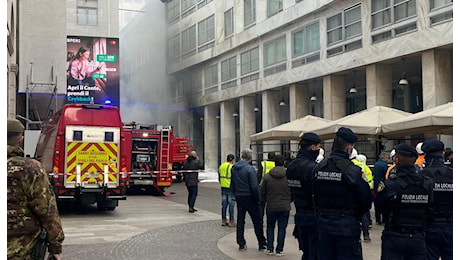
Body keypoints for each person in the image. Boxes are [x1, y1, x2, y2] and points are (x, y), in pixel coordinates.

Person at [7, 119, 65, 260]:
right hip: (21, 249)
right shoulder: (30, 169)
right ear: (20, 139)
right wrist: (55, 246)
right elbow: (47, 210)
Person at [312, 127, 372, 260]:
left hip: (323, 224)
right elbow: (366, 200)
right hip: (346, 226)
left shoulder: (319, 168)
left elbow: (314, 194)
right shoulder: (353, 170)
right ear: (349, 148)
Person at [374, 143, 434, 260]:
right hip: (418, 236)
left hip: (394, 235)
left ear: (396, 159)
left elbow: (378, 206)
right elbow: (431, 206)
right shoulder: (427, 184)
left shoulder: (390, 184)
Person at [286, 132, 322, 260]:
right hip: (313, 216)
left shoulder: (291, 166)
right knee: (314, 253)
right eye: (318, 147)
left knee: (306, 252)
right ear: (312, 147)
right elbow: (318, 192)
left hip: (300, 215)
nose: (318, 150)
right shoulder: (311, 168)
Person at [419, 140, 453, 260]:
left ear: (426, 155)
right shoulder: (453, 175)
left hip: (429, 225)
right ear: (443, 153)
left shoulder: (421, 176)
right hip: (451, 225)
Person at [230, 148, 267, 251]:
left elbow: (232, 183)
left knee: (241, 220)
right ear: (250, 158)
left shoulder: (234, 168)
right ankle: (261, 242)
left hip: (239, 196)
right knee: (257, 220)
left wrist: (234, 194)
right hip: (249, 196)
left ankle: (241, 242)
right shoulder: (250, 169)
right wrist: (258, 199)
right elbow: (254, 186)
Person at [260, 155, 291, 256]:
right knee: (282, 228)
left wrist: (266, 200)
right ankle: (279, 249)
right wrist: (289, 200)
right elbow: (293, 191)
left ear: (274, 163)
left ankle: (269, 248)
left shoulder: (268, 176)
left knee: (270, 226)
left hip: (271, 206)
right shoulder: (289, 176)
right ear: (284, 163)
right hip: (285, 206)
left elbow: (262, 192)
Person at [353, 153, 373, 243]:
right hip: (365, 190)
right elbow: (369, 179)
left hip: (353, 191)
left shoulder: (352, 164)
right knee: (365, 214)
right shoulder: (366, 167)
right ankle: (366, 235)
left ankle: (356, 236)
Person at [219, 153, 236, 227]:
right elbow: (234, 178)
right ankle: (231, 221)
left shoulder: (221, 166)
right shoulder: (232, 167)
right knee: (231, 205)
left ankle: (223, 220)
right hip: (230, 187)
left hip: (223, 186)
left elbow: (219, 176)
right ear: (232, 160)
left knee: (224, 205)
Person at [372, 151, 389, 225]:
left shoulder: (376, 164)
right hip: (383, 186)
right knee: (384, 203)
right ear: (384, 158)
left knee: (377, 203)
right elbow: (386, 176)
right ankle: (384, 219)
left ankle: (378, 219)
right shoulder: (384, 166)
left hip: (376, 185)